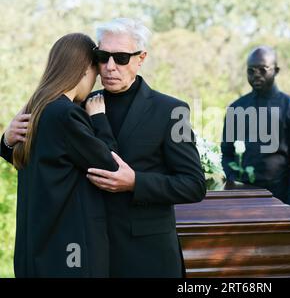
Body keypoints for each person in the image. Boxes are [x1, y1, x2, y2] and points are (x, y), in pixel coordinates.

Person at [82, 18, 206, 277]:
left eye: (121, 58)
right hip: (93, 253)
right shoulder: (81, 106)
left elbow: (193, 185)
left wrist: (136, 182)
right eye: (102, 56)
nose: (110, 67)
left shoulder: (172, 111)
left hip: (150, 257)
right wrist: (7, 140)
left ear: (141, 58)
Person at [0, 33, 119, 277]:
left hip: (38, 250)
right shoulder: (65, 115)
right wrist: (99, 118)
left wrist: (4, 142)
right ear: (84, 69)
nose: (93, 84)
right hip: (70, 255)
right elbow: (110, 164)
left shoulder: (38, 108)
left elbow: (22, 158)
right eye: (95, 75)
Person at [221, 46, 290, 207]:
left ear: (276, 70)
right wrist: (234, 185)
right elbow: (226, 153)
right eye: (251, 70)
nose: (256, 75)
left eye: (263, 69)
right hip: (241, 199)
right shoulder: (236, 109)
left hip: (279, 198)